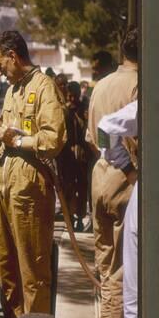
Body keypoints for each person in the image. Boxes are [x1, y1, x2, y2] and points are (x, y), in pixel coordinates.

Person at [0, 30, 66, 318]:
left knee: (33, 272)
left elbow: (54, 139)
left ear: (13, 56)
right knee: (6, 269)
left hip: (29, 195)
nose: (1, 73)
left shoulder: (44, 87)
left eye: (1, 66)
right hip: (3, 194)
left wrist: (20, 142)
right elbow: (2, 134)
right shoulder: (12, 91)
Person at [86, 27, 138, 318]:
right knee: (122, 266)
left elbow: (95, 136)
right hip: (125, 179)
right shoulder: (138, 86)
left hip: (99, 177)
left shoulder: (101, 85)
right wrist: (130, 168)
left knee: (105, 262)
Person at [59, 80, 90, 231]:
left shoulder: (84, 109)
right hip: (67, 155)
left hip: (82, 154)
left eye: (75, 96)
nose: (72, 99)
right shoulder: (63, 110)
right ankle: (69, 217)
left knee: (82, 187)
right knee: (68, 187)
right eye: (70, 96)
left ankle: (79, 217)